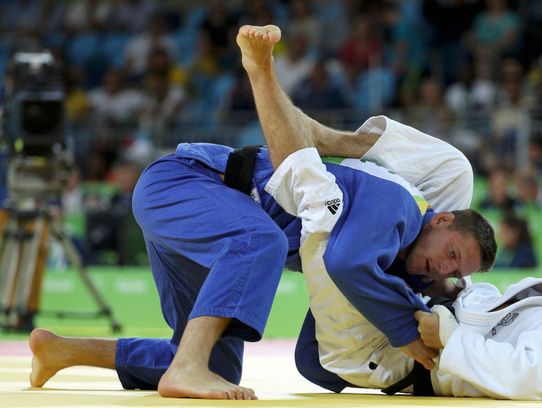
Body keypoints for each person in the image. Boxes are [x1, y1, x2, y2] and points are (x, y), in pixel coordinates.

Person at [28, 25, 497, 400]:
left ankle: (62, 350)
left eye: (457, 271)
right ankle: (187, 368)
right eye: (452, 252)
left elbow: (314, 360)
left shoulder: (378, 267)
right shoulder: (400, 205)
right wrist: (402, 329)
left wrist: (397, 364)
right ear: (441, 219)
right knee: (261, 242)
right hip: (189, 182)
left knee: (219, 365)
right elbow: (346, 262)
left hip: (208, 218)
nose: (446, 268)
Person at [295, 238, 542, 400]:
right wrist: (459, 288)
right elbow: (492, 317)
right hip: (426, 323)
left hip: (405, 356)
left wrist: (448, 337)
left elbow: (526, 378)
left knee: (331, 247)